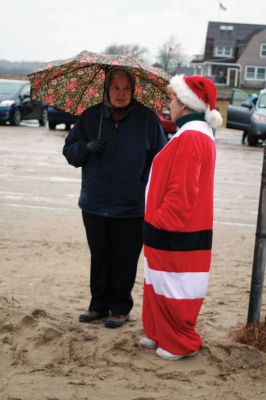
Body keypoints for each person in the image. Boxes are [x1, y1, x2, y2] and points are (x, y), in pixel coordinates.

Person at [63, 68, 166, 329]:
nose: (121, 94)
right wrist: (86, 148)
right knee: (100, 256)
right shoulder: (90, 117)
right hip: (95, 203)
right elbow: (70, 153)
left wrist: (144, 181)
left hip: (132, 206)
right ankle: (98, 305)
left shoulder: (147, 120)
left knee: (125, 258)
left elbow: (162, 158)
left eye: (126, 89)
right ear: (106, 89)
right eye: (115, 88)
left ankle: (120, 308)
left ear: (133, 91)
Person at [140, 75, 222, 360]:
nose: (169, 104)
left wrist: (161, 222)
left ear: (186, 104)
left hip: (176, 232)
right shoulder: (192, 134)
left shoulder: (192, 137)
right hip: (169, 230)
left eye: (174, 99)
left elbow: (182, 193)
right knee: (158, 282)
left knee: (174, 286)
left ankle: (177, 342)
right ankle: (159, 332)